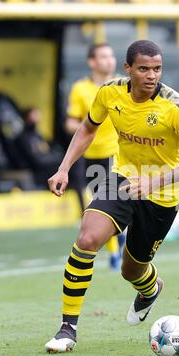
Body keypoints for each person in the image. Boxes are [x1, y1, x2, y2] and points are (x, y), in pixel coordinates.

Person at [45, 40, 179, 353]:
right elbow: (87, 128)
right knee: (87, 239)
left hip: (161, 195)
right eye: (144, 69)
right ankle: (67, 328)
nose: (151, 75)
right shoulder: (109, 92)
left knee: (130, 270)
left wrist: (153, 183)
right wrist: (64, 168)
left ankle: (151, 288)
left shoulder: (177, 107)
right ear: (128, 69)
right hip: (121, 179)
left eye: (157, 69)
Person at [66, 43, 124, 270]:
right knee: (101, 207)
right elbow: (70, 122)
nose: (109, 60)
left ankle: (115, 255)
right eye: (103, 56)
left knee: (110, 205)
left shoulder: (122, 86)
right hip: (91, 155)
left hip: (117, 155)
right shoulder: (80, 89)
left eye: (111, 56)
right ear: (92, 62)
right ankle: (115, 248)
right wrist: (89, 125)